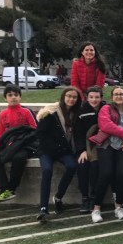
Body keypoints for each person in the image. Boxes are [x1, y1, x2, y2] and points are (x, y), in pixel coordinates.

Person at [89, 87, 123, 223]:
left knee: (122, 174)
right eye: (116, 94)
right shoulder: (105, 109)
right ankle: (96, 209)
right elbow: (107, 126)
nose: (119, 96)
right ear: (112, 97)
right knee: (106, 173)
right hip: (107, 145)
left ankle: (119, 207)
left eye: (121, 94)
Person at [35, 87, 81, 222]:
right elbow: (41, 134)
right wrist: (54, 148)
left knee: (72, 166)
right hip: (47, 150)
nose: (71, 99)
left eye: (74, 97)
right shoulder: (50, 112)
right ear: (63, 97)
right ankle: (43, 208)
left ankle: (58, 197)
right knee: (47, 170)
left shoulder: (76, 114)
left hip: (64, 150)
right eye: (69, 96)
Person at [0, 84, 37, 202]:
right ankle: (4, 189)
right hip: (7, 144)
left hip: (24, 144)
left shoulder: (26, 111)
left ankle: (12, 189)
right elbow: (0, 132)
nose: (13, 97)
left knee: (19, 158)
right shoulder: (3, 113)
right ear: (5, 98)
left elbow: (35, 129)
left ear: (20, 97)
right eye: (10, 95)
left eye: (16, 95)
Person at [74, 85, 105, 214]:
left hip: (102, 144)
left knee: (96, 165)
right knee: (82, 165)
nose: (94, 100)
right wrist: (82, 150)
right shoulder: (81, 111)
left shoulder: (106, 109)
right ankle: (85, 197)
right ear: (87, 98)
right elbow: (78, 134)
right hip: (85, 145)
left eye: (97, 97)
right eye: (91, 97)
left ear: (101, 98)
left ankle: (94, 196)